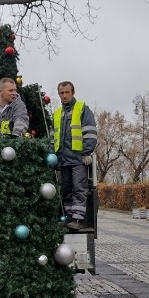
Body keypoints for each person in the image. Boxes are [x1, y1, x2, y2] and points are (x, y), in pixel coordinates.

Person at [53, 81, 97, 230]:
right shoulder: (58, 113)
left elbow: (90, 132)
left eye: (67, 92)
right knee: (66, 190)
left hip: (78, 159)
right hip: (63, 159)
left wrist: (87, 152)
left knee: (79, 188)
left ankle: (77, 220)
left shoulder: (82, 108)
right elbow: (54, 137)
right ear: (58, 94)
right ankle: (69, 217)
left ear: (73, 93)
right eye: (61, 93)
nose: (64, 95)